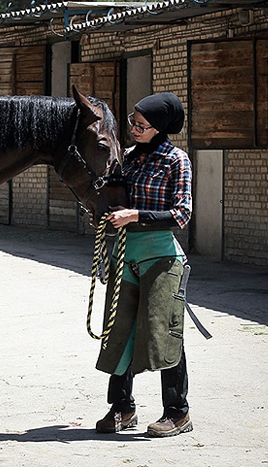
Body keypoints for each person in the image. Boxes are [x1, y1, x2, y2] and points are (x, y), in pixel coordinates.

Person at [94, 92, 193, 438]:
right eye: (132, 123)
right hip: (125, 252)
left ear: (159, 128)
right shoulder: (129, 159)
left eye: (141, 125)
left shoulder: (176, 160)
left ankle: (177, 413)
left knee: (163, 333)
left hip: (161, 257)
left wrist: (136, 215)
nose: (134, 129)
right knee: (119, 332)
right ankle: (122, 408)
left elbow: (182, 214)